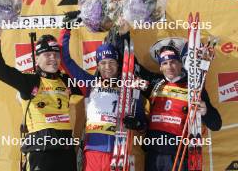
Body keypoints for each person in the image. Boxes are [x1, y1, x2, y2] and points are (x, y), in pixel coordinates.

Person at [0, 28, 81, 171]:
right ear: (37, 58)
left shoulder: (66, 80)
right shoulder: (30, 81)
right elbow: (1, 71)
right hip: (41, 152)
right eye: (47, 54)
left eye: (56, 55)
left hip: (66, 152)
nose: (53, 58)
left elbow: (91, 87)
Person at [59, 29, 146, 171]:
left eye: (112, 62)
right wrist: (66, 29)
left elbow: (142, 125)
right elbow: (65, 60)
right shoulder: (90, 83)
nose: (108, 67)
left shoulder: (129, 88)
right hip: (93, 150)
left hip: (119, 152)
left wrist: (137, 123)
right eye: (103, 63)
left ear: (118, 65)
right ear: (98, 66)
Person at [136, 43, 222, 171]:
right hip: (154, 155)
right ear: (160, 67)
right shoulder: (155, 83)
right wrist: (123, 34)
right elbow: (132, 66)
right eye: (165, 63)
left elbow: (216, 124)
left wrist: (206, 112)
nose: (169, 67)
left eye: (173, 62)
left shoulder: (194, 87)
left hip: (179, 156)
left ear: (181, 64)